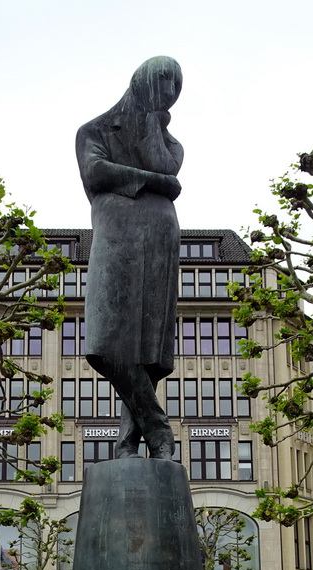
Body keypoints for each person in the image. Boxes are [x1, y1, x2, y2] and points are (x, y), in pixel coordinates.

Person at [76, 56, 183, 460]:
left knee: (147, 352)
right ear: (140, 81)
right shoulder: (96, 129)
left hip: (159, 239)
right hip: (117, 238)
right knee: (108, 342)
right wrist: (159, 185)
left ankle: (127, 442)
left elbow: (165, 165)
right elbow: (97, 173)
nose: (170, 93)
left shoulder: (170, 142)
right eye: (163, 82)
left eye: (176, 87)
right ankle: (158, 428)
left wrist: (153, 126)